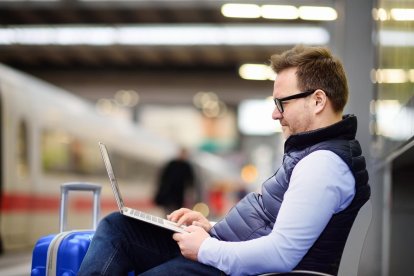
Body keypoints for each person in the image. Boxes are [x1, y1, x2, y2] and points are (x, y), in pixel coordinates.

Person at [78, 45, 370, 276]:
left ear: (318, 100)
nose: (275, 114)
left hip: (232, 266)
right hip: (223, 249)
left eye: (282, 103)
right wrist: (210, 227)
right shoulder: (312, 154)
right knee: (120, 227)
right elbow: (272, 223)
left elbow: (282, 253)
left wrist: (206, 249)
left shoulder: (323, 165)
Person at [154, 147, 195, 214]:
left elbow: (190, 180)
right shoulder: (172, 163)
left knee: (176, 208)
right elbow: (164, 176)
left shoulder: (187, 166)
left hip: (179, 191)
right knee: (167, 207)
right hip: (169, 190)